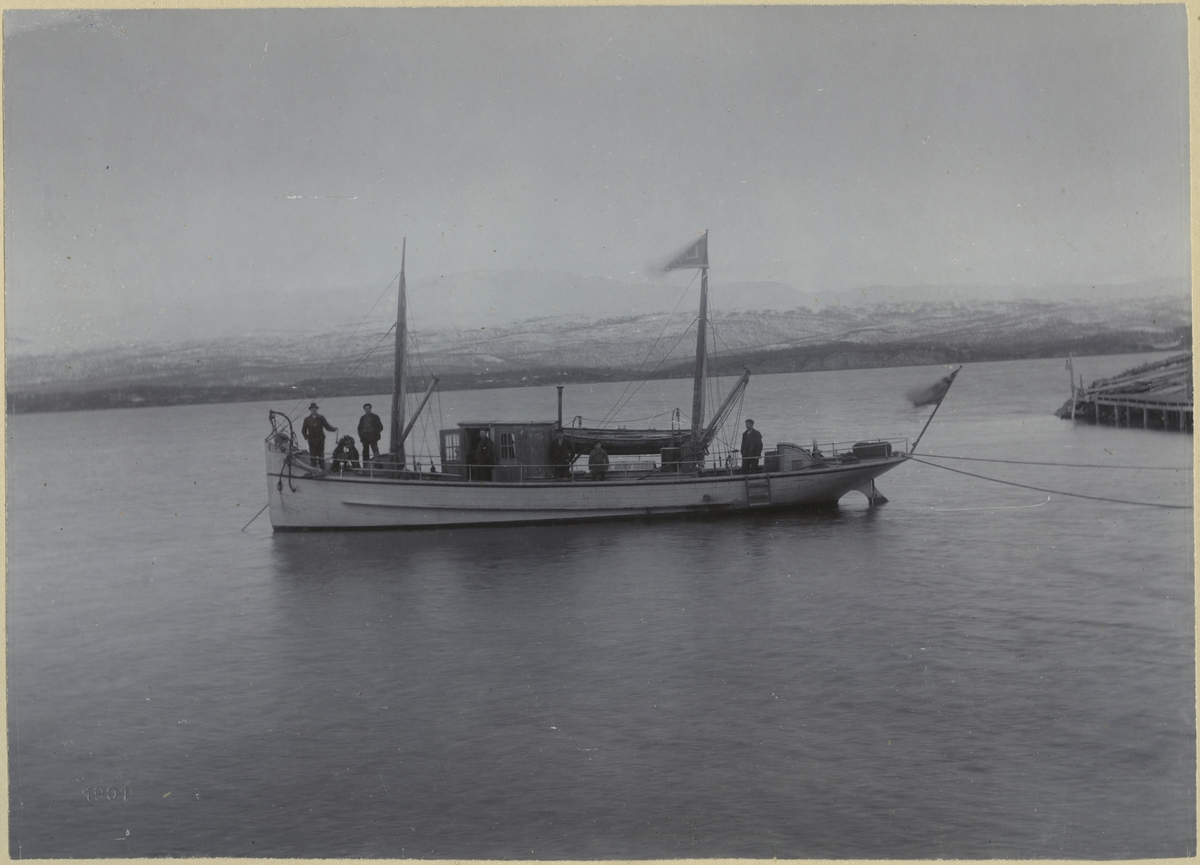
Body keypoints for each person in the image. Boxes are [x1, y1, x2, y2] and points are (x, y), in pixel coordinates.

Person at [301, 403, 337, 469]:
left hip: (320, 440)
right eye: (312, 409)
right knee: (313, 456)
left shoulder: (321, 418)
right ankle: (313, 470)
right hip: (312, 441)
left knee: (321, 456)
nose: (314, 410)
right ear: (310, 410)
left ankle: (322, 470)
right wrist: (307, 438)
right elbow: (303, 431)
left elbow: (327, 427)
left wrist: (333, 429)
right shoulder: (307, 419)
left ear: (317, 409)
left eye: (315, 408)